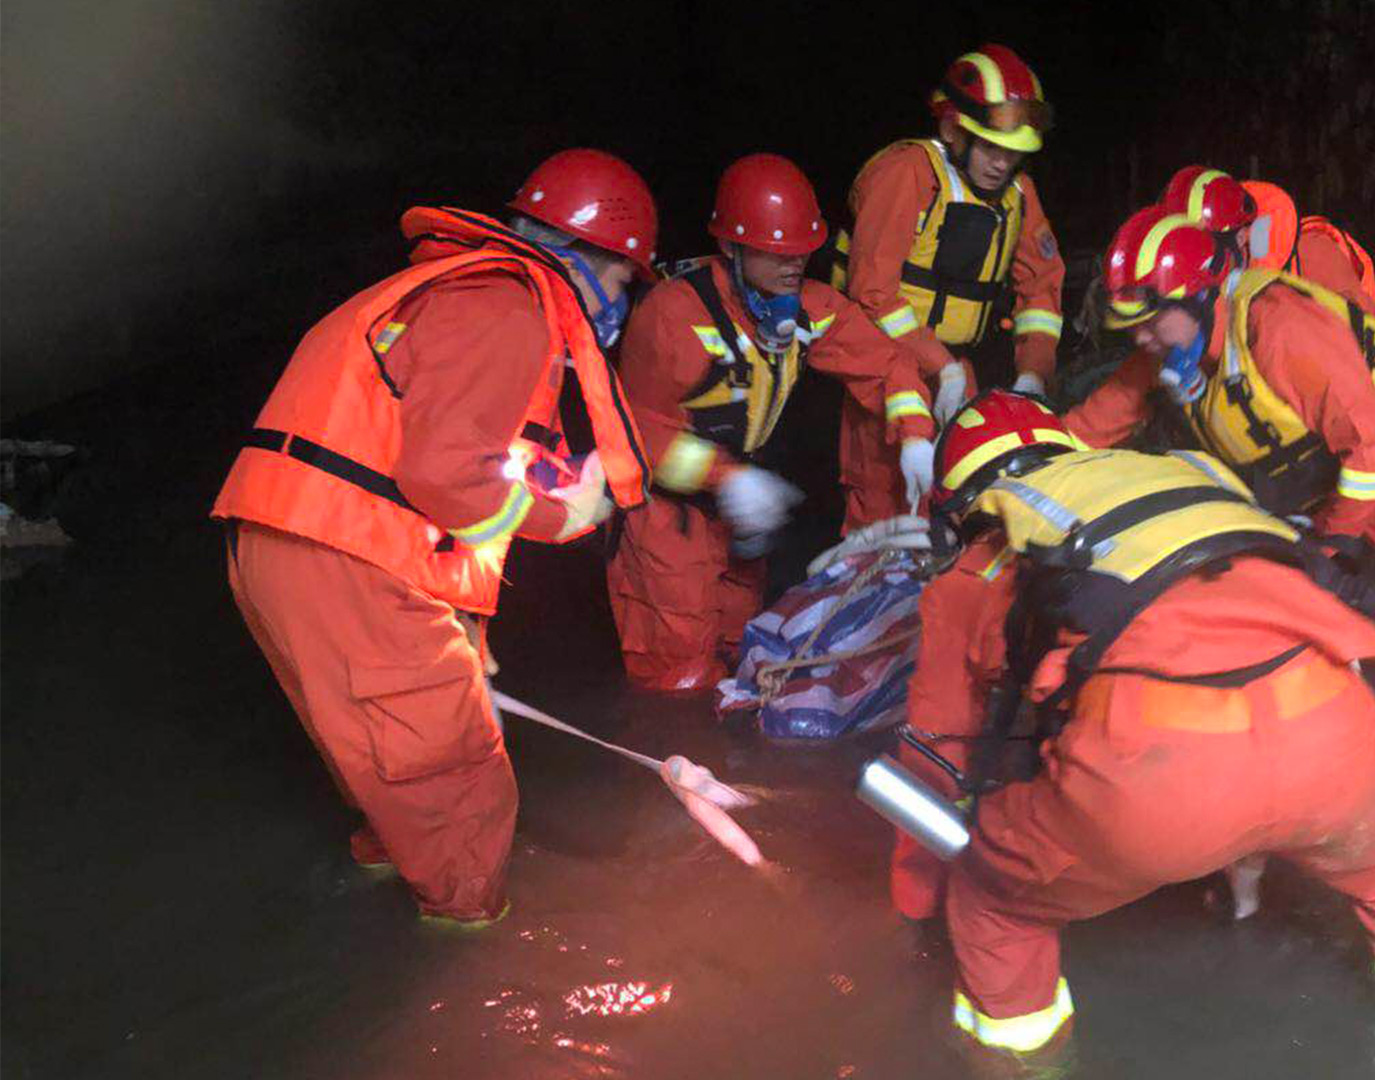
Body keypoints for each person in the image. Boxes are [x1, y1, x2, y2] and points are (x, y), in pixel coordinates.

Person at [895, 389, 1375, 1069]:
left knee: (992, 903)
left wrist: (921, 897)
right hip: (1334, 727)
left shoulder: (980, 565)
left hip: (1161, 772)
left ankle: (1019, 1058)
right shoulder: (1179, 484)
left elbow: (940, 747)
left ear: (966, 500)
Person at [213, 148, 656, 925]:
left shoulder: (464, 292)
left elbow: (470, 462)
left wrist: (470, 623)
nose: (620, 304)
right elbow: (446, 476)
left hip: (301, 547)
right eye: (623, 280)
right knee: (456, 783)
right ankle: (463, 945)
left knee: (390, 767)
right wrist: (574, 516)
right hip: (347, 555)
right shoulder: (509, 308)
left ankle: (384, 888)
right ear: (591, 259)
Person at [1070, 208, 1375, 744]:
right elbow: (1097, 422)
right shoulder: (1173, 347)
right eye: (1133, 329)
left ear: (1198, 296)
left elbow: (1370, 450)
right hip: (1318, 484)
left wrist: (1329, 546)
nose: (1142, 339)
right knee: (1263, 610)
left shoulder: (1282, 327)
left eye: (1150, 323)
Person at [608, 153, 936, 693]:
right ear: (732, 247)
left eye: (803, 252)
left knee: (745, 654)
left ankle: (732, 770)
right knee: (677, 676)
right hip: (669, 518)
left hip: (746, 511)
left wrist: (915, 438)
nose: (793, 266)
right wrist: (726, 478)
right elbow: (636, 434)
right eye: (776, 253)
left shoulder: (810, 306)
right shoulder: (671, 316)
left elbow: (888, 364)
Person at [832, 44, 1066, 528]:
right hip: (886, 368)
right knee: (882, 510)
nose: (1001, 165)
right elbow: (872, 291)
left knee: (960, 509)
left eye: (1014, 154)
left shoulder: (1020, 196)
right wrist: (936, 362)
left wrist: (1034, 374)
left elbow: (1041, 289)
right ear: (954, 130)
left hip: (959, 372)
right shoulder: (907, 173)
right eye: (990, 147)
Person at [1160, 165, 1375, 305]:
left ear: (1242, 237)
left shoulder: (1313, 254)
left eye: (1202, 253)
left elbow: (1359, 344)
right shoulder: (1212, 284)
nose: (1196, 268)